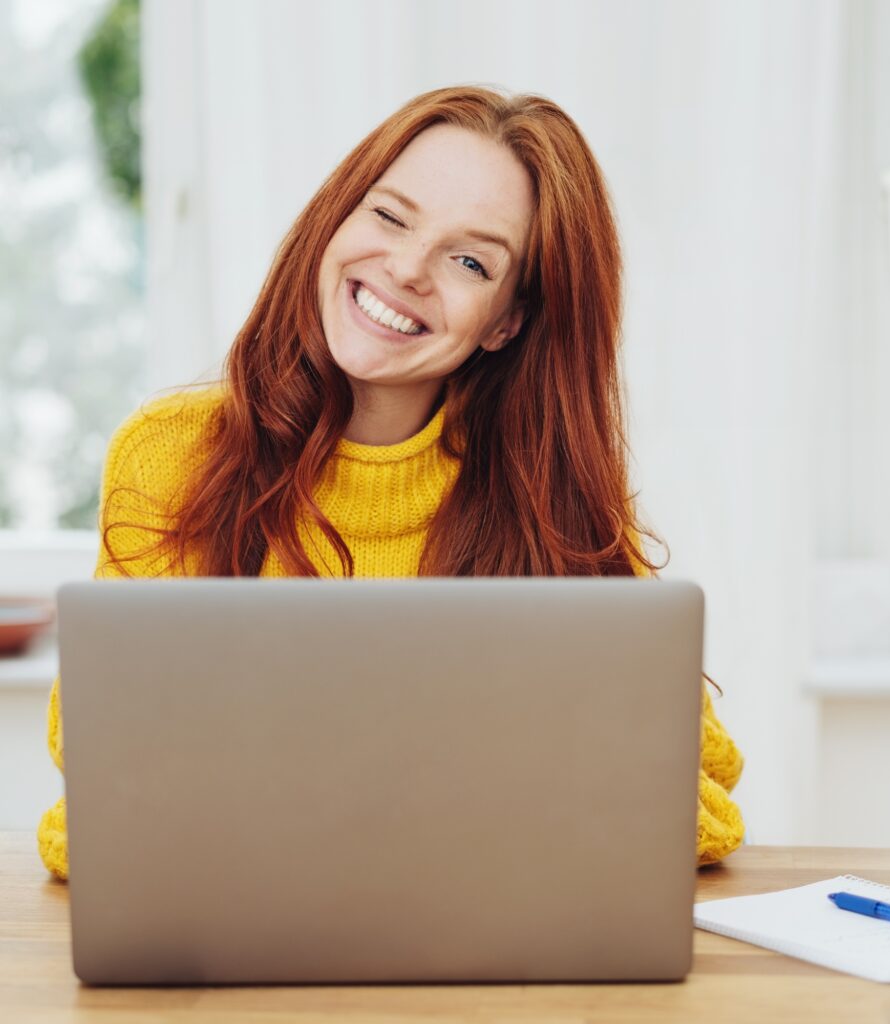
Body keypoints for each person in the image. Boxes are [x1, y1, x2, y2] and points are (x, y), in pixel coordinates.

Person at [38, 85, 744, 881]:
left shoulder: (546, 501)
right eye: (390, 216)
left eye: (470, 261)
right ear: (336, 219)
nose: (406, 269)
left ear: (507, 321)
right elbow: (98, 785)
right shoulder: (173, 455)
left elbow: (700, 805)